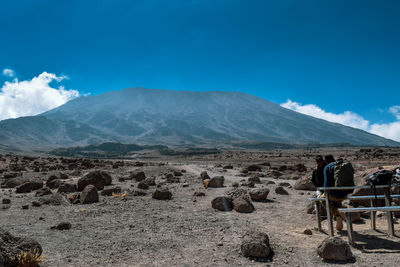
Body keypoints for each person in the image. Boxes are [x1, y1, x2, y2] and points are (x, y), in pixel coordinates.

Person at [322, 154, 348, 231]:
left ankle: (337, 216)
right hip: (345, 194)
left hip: (334, 195)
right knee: (336, 203)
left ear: (326, 161)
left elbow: (326, 185)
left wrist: (324, 192)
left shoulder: (327, 167)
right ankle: (340, 213)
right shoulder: (343, 166)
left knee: (323, 199)